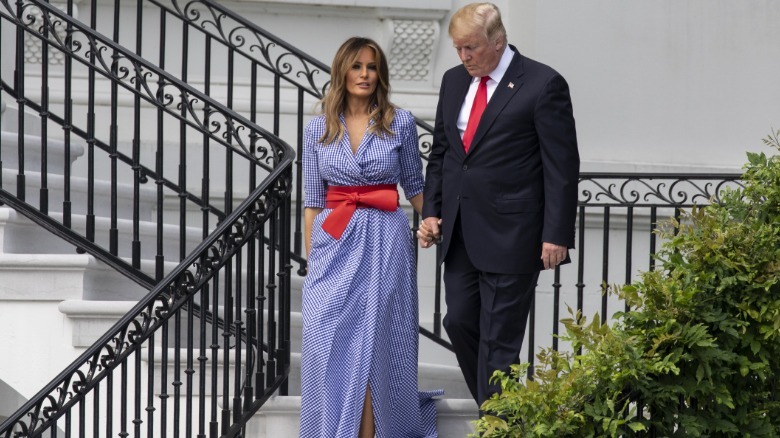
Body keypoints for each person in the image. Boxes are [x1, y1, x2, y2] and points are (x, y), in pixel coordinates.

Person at [417, 2, 580, 407]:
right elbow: (443, 153)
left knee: (499, 340)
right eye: (458, 48)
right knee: (457, 321)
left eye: (471, 47)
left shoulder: (543, 84)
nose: (464, 57)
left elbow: (562, 167)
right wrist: (432, 209)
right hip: (459, 234)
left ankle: (497, 425)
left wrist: (556, 235)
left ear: (498, 41)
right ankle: (502, 412)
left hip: (515, 235)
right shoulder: (454, 82)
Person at [299, 37, 440, 438]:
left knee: (379, 343)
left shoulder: (401, 122)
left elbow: (414, 184)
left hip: (386, 239)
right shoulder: (317, 128)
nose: (364, 75)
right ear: (342, 71)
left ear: (381, 74)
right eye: (357, 66)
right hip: (334, 241)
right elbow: (312, 200)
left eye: (372, 67)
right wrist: (314, 262)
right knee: (329, 342)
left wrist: (432, 219)